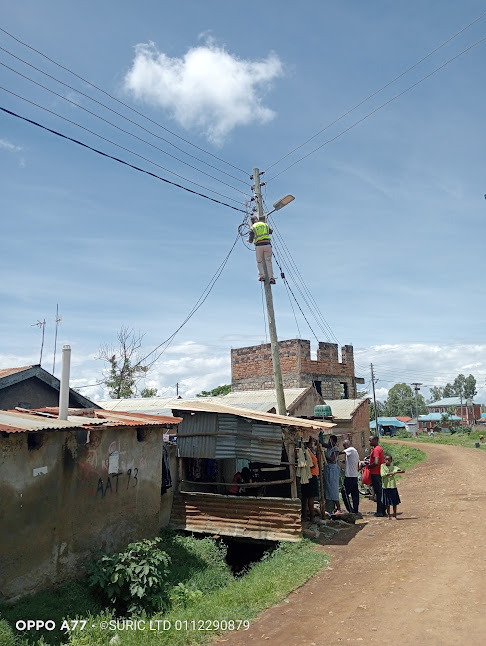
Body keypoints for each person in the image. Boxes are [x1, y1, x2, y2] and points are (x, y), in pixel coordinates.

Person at [247, 215, 276, 284]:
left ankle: (262, 276)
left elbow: (251, 240)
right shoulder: (265, 224)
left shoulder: (252, 227)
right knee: (268, 261)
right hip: (267, 244)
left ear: (252, 222)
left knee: (259, 261)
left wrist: (249, 241)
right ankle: (271, 277)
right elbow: (271, 231)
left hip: (259, 245)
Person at [320, 433, 342, 513]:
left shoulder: (335, 449)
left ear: (334, 442)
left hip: (332, 470)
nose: (329, 442)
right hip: (328, 469)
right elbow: (323, 444)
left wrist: (324, 456)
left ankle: (339, 507)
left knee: (333, 488)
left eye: (331, 441)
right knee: (328, 488)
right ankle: (331, 508)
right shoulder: (329, 447)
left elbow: (332, 459)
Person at [381, 455, 405, 520]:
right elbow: (382, 474)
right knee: (387, 502)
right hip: (386, 486)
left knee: (394, 502)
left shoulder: (393, 467)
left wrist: (397, 471)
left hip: (392, 486)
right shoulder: (382, 466)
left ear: (391, 461)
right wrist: (390, 473)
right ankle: (389, 515)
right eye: (386, 460)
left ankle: (394, 515)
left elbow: (402, 471)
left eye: (389, 460)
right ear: (384, 460)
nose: (387, 461)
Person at [301, 440, 319, 523]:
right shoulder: (307, 451)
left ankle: (305, 516)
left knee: (305, 497)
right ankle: (312, 517)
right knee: (310, 497)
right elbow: (310, 464)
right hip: (310, 476)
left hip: (307, 476)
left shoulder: (306, 451)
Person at [340, 439, 360, 513]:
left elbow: (340, 453)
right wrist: (346, 462)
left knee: (344, 493)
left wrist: (334, 451)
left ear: (347, 444)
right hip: (354, 476)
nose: (344, 447)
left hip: (349, 477)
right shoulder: (355, 452)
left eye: (344, 445)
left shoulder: (350, 449)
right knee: (354, 494)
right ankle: (355, 510)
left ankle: (350, 510)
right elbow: (357, 464)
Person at [368, 435, 385, 516]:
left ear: (375, 440)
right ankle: (382, 511)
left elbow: (376, 462)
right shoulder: (379, 448)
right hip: (379, 473)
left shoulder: (376, 450)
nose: (369, 442)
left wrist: (369, 466)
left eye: (370, 440)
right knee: (380, 492)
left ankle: (380, 512)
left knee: (378, 493)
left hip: (376, 473)